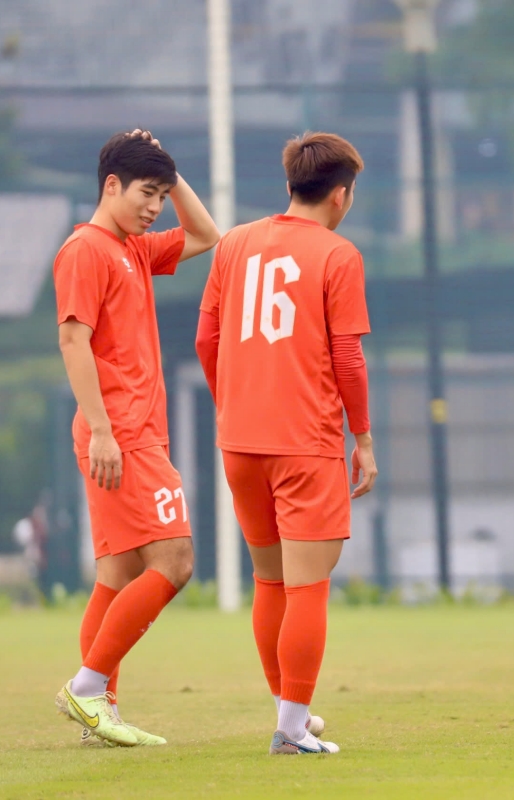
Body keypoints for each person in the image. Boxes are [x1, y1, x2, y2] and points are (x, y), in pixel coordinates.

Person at [195, 131, 377, 755]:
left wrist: (235, 404)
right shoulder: (337, 254)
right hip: (305, 440)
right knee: (306, 587)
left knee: (269, 582)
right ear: (341, 194)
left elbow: (206, 342)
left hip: (240, 441)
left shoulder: (235, 243)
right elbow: (348, 358)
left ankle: (289, 711)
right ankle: (292, 728)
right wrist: (365, 438)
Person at [54, 130, 220, 747]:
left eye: (163, 194)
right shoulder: (86, 249)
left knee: (117, 577)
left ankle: (99, 713)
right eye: (147, 193)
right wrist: (101, 429)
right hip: (120, 433)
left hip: (132, 432)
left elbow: (207, 236)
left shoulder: (134, 248)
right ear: (111, 186)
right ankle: (89, 686)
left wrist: (173, 172)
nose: (156, 206)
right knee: (175, 561)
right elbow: (73, 340)